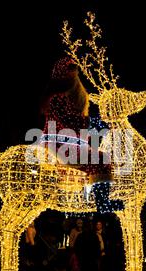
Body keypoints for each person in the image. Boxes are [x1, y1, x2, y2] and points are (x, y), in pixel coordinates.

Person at [40, 57, 124, 215]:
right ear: (62, 74)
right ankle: (103, 203)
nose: (74, 74)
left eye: (75, 71)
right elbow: (72, 120)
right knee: (101, 159)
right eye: (70, 71)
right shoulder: (57, 99)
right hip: (60, 144)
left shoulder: (68, 99)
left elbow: (80, 125)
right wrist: (93, 121)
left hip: (73, 143)